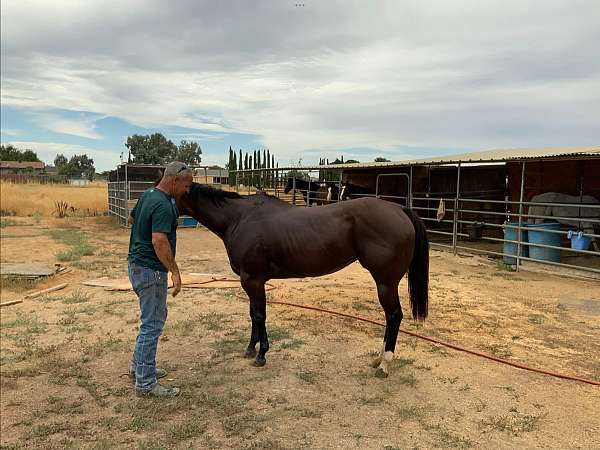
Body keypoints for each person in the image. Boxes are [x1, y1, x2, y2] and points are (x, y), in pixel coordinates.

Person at [127, 161, 193, 397]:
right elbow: (159, 240)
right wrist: (174, 271)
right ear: (174, 180)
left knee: (151, 319)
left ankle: (139, 367)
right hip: (151, 270)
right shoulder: (164, 204)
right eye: (187, 185)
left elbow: (133, 220)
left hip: (136, 264)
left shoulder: (147, 195)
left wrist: (139, 242)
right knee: (152, 325)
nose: (187, 190)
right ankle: (145, 383)